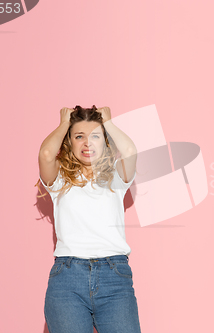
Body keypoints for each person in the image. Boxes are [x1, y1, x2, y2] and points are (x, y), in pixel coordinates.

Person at [38, 105, 141, 333]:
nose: (87, 143)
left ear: (105, 141)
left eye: (95, 136)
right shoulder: (60, 179)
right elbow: (46, 154)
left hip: (114, 277)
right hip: (67, 279)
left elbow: (130, 150)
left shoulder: (116, 176)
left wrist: (109, 123)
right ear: (69, 141)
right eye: (79, 136)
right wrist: (64, 123)